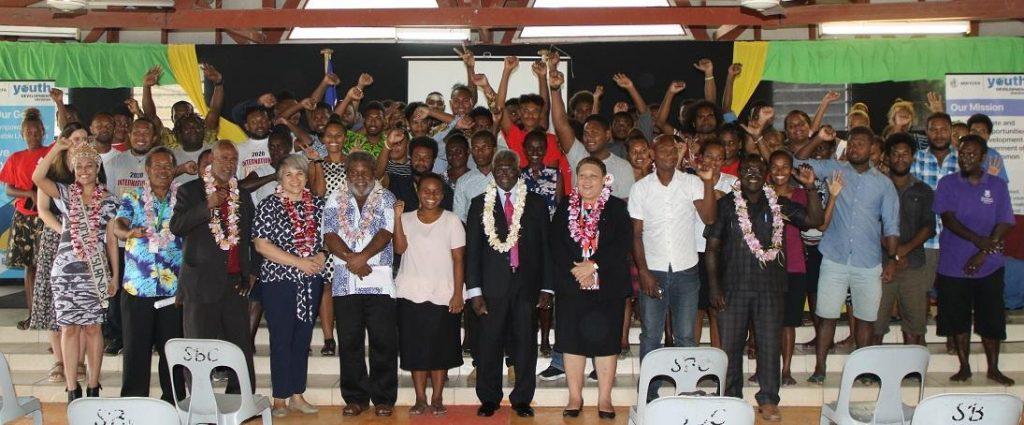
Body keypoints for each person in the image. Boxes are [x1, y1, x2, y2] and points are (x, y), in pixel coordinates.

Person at [706, 154, 822, 422]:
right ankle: (732, 397)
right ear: (739, 174)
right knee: (731, 347)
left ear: (766, 173)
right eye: (747, 169)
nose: (753, 173)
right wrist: (714, 288)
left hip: (770, 289)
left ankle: (769, 400)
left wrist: (811, 189)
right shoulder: (725, 205)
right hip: (733, 288)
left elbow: (814, 220)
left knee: (770, 346)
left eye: (758, 169)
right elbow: (712, 248)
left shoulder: (779, 204)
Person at [793, 126, 900, 384]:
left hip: (868, 260)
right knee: (826, 315)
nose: (854, 148)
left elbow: (891, 225)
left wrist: (893, 259)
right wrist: (818, 137)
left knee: (865, 318)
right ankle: (820, 368)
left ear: (872, 149)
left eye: (860, 144)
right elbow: (799, 162)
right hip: (834, 256)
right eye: (851, 143)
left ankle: (862, 371)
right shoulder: (834, 169)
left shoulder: (884, 184)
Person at [628, 135, 718, 402]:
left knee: (686, 336)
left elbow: (710, 218)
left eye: (673, 149)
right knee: (651, 336)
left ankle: (686, 389)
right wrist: (643, 272)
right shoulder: (641, 189)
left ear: (678, 154)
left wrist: (709, 182)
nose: (668, 153)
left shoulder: (692, 183)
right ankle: (649, 392)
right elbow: (635, 235)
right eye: (663, 149)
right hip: (653, 271)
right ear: (653, 154)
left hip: (686, 271)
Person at [465, 150, 553, 418]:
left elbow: (546, 248)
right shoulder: (479, 203)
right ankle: (489, 398)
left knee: (526, 343)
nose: (504, 172)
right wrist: (475, 291)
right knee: (489, 343)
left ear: (518, 171)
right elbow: (473, 252)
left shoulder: (536, 204)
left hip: (526, 286)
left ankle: (522, 399)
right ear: (493, 171)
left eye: (509, 168)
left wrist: (547, 287)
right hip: (491, 287)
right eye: (499, 168)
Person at [32, 129, 118, 402]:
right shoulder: (65, 194)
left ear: (97, 167)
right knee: (69, 328)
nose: (84, 170)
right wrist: (57, 149)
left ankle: (93, 385)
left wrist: (114, 276)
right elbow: (37, 178)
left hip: (95, 273)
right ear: (72, 168)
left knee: (93, 328)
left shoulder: (110, 200)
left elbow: (112, 242)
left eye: (89, 165)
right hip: (66, 271)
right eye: (78, 166)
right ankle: (72, 387)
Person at [170, 140, 257, 394]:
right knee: (199, 348)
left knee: (238, 346)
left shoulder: (242, 194)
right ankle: (200, 403)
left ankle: (241, 403)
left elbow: (252, 235)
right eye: (223, 159)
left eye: (233, 160)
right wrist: (206, 206)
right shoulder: (190, 191)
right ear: (211, 161)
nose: (229, 164)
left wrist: (251, 271)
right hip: (200, 284)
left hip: (234, 283)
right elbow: (177, 226)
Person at [550, 157, 633, 419]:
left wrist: (593, 265)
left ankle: (605, 399)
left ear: (604, 179)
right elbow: (556, 243)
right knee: (572, 341)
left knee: (606, 342)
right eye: (582, 176)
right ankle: (575, 397)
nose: (586, 181)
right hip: (572, 285)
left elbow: (622, 244)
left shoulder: (617, 207)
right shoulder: (566, 206)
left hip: (608, 286)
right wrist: (578, 271)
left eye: (593, 176)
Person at [106, 147, 186, 403]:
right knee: (135, 351)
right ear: (147, 170)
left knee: (172, 352)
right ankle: (132, 405)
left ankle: (174, 404)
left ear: (174, 170)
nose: (163, 171)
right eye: (157, 166)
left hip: (173, 291)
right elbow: (118, 225)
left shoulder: (183, 198)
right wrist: (127, 233)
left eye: (168, 166)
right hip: (137, 289)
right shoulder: (133, 196)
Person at [934, 135, 1015, 386]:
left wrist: (982, 251)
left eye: (972, 154)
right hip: (953, 263)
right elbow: (948, 219)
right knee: (958, 318)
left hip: (989, 264)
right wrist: (977, 240)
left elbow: (1004, 221)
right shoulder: (947, 183)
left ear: (983, 157)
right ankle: (964, 366)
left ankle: (993, 368)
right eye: (962, 154)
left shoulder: (998, 186)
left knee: (991, 318)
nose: (966, 158)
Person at [322, 152, 399, 417]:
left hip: (378, 282)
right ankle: (355, 397)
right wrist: (351, 260)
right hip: (346, 283)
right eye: (354, 172)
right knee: (350, 341)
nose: (360, 177)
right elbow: (329, 234)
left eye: (365, 172)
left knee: (383, 341)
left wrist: (363, 257)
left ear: (374, 173)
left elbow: (386, 232)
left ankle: (383, 398)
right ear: (347, 174)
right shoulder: (334, 198)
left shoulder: (386, 198)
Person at [251, 155, 326, 417]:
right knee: (281, 338)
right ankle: (280, 397)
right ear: (279, 178)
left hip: (310, 281)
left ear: (307, 177)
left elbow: (328, 239)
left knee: (302, 338)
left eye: (300, 174)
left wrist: (322, 255)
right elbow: (261, 245)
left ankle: (297, 394)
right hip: (279, 281)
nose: (295, 179)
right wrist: (298, 263)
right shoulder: (268, 205)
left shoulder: (318, 205)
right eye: (288, 174)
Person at [392, 173, 466, 416]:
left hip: (443, 293)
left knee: (440, 349)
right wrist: (396, 218)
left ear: (443, 195)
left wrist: (457, 294)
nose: (431, 195)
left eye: (436, 191)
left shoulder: (452, 221)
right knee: (416, 350)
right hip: (411, 293)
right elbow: (400, 249)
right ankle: (420, 398)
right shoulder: (406, 218)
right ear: (417, 191)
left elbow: (458, 260)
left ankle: (437, 396)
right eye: (426, 190)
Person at [873, 134, 935, 346]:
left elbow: (929, 226)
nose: (900, 158)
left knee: (915, 325)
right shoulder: (877, 187)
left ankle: (912, 370)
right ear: (888, 158)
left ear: (912, 157)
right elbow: (871, 223)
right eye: (895, 154)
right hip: (880, 264)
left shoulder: (923, 190)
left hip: (913, 263)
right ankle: (872, 370)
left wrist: (902, 251)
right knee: (876, 322)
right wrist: (891, 252)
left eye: (905, 154)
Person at [766, 151, 813, 388]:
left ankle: (786, 370)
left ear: (792, 169)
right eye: (775, 166)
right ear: (769, 169)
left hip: (794, 265)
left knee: (788, 322)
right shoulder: (760, 194)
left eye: (785, 166)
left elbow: (812, 220)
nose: (780, 171)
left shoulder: (800, 195)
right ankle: (767, 369)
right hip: (766, 267)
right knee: (767, 322)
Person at [1, 108, 50, 330]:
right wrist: (28, 193)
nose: (33, 135)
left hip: (46, 217)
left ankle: (48, 314)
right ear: (22, 134)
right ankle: (32, 314)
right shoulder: (16, 158)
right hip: (24, 218)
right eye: (28, 132)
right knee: (29, 268)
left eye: (36, 131)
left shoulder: (50, 153)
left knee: (46, 267)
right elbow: (9, 190)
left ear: (43, 131)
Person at [389, 137, 453, 212]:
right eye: (417, 157)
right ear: (411, 158)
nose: (421, 161)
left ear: (434, 160)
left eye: (426, 158)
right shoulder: (398, 185)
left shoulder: (444, 190)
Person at [453, 131, 497, 222]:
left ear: (494, 149)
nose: (480, 152)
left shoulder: (505, 177)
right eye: (475, 148)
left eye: (485, 147)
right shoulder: (463, 181)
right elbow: (459, 217)